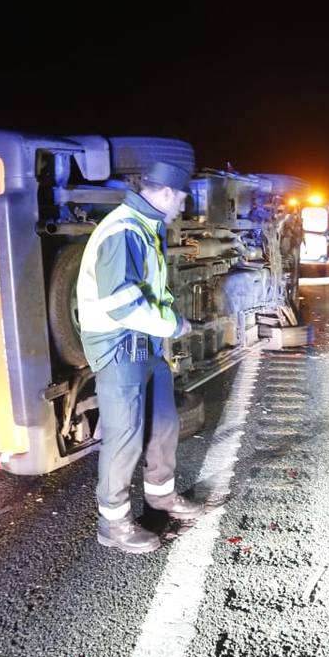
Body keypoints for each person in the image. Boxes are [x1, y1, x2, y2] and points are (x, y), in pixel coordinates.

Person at [76, 160, 206, 553]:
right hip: (119, 348)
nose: (183, 205)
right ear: (165, 192)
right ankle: (113, 524)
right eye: (181, 197)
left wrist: (164, 326)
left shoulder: (146, 227)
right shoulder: (124, 230)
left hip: (145, 346)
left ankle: (161, 496)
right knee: (125, 438)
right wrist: (174, 326)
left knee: (163, 425)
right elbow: (121, 304)